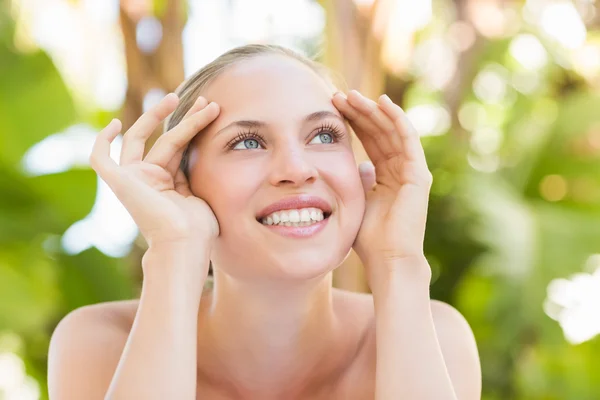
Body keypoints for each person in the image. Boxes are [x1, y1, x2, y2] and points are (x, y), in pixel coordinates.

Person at [47, 44, 481, 400]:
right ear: (182, 185)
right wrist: (175, 253)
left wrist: (398, 262)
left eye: (325, 135)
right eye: (249, 142)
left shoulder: (435, 336)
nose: (297, 168)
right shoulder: (99, 344)